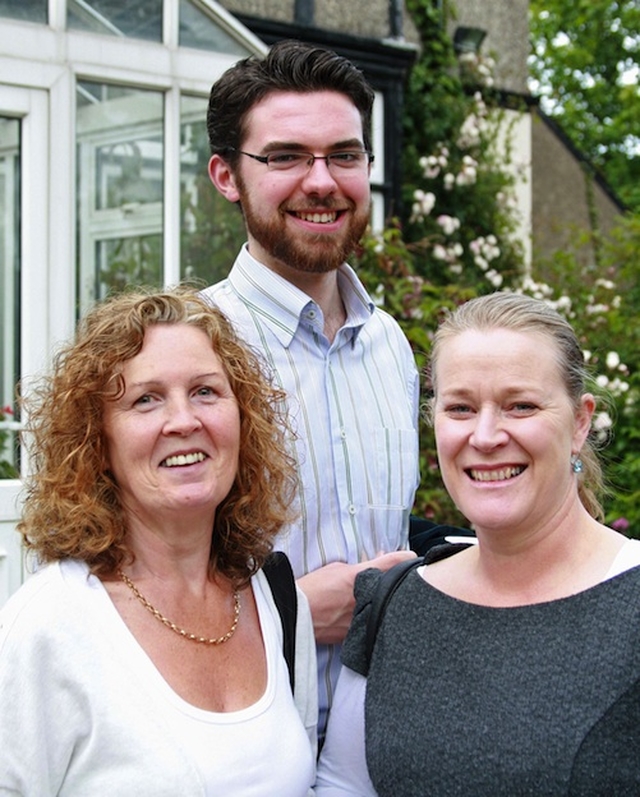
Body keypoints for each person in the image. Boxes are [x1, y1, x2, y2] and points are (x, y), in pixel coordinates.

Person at [316, 291, 640, 796]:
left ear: (580, 422)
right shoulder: (397, 604)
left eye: (521, 406)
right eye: (462, 408)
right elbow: (343, 785)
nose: (486, 436)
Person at [0, 289, 317, 796]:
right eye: (145, 399)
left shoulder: (276, 600)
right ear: (97, 443)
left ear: (243, 418)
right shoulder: (46, 629)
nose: (184, 420)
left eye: (206, 391)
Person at [202, 39, 419, 737]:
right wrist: (287, 610)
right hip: (250, 738)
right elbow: (125, 583)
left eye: (344, 155)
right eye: (287, 156)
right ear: (227, 176)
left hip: (382, 742)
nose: (322, 181)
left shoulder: (391, 346)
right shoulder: (191, 353)